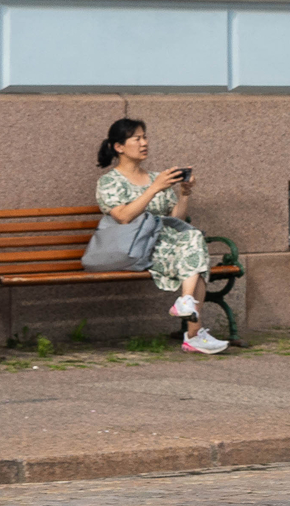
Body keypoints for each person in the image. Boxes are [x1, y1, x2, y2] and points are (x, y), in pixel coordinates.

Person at [94, 118, 225, 354]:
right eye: (137, 138)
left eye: (145, 137)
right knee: (195, 255)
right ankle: (193, 334)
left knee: (193, 241)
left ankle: (186, 302)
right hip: (136, 247)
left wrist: (184, 193)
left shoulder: (155, 176)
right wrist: (154, 188)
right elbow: (123, 217)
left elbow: (177, 220)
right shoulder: (109, 182)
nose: (144, 143)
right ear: (119, 147)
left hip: (167, 243)